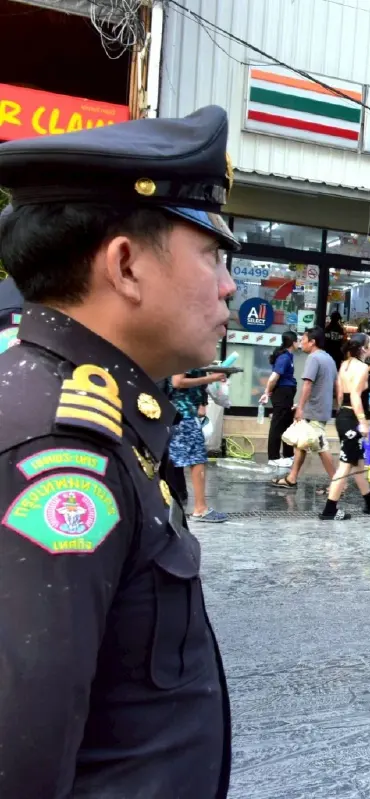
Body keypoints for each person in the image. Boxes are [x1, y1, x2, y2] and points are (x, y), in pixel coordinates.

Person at [0, 105, 235, 796]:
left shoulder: (88, 405)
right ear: (127, 265)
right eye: (212, 255)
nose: (228, 286)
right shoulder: (59, 449)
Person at [319, 333, 370, 520]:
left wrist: (346, 415)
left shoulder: (344, 365)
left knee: (357, 462)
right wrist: (363, 422)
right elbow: (356, 396)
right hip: (353, 419)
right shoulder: (362, 367)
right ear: (364, 348)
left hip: (343, 415)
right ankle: (329, 510)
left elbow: (341, 395)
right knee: (345, 466)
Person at [272, 327, 337, 489]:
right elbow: (337, 385)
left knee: (321, 446)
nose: (301, 344)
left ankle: (338, 484)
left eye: (303, 340)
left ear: (313, 342)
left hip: (314, 410)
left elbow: (307, 383)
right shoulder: (329, 358)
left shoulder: (314, 359)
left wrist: (300, 407)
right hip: (321, 407)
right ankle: (292, 478)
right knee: (301, 444)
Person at [167, 368, 229, 523]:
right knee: (197, 460)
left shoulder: (184, 352)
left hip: (179, 413)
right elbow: (177, 382)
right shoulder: (184, 353)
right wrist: (209, 379)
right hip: (184, 414)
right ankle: (200, 509)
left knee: (174, 459)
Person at [261, 330, 298, 467]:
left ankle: (289, 455)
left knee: (286, 424)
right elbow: (273, 378)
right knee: (277, 425)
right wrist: (267, 392)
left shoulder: (288, 356)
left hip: (286, 394)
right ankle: (273, 457)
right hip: (281, 394)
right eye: (297, 340)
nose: (298, 343)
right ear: (293, 342)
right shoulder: (284, 358)